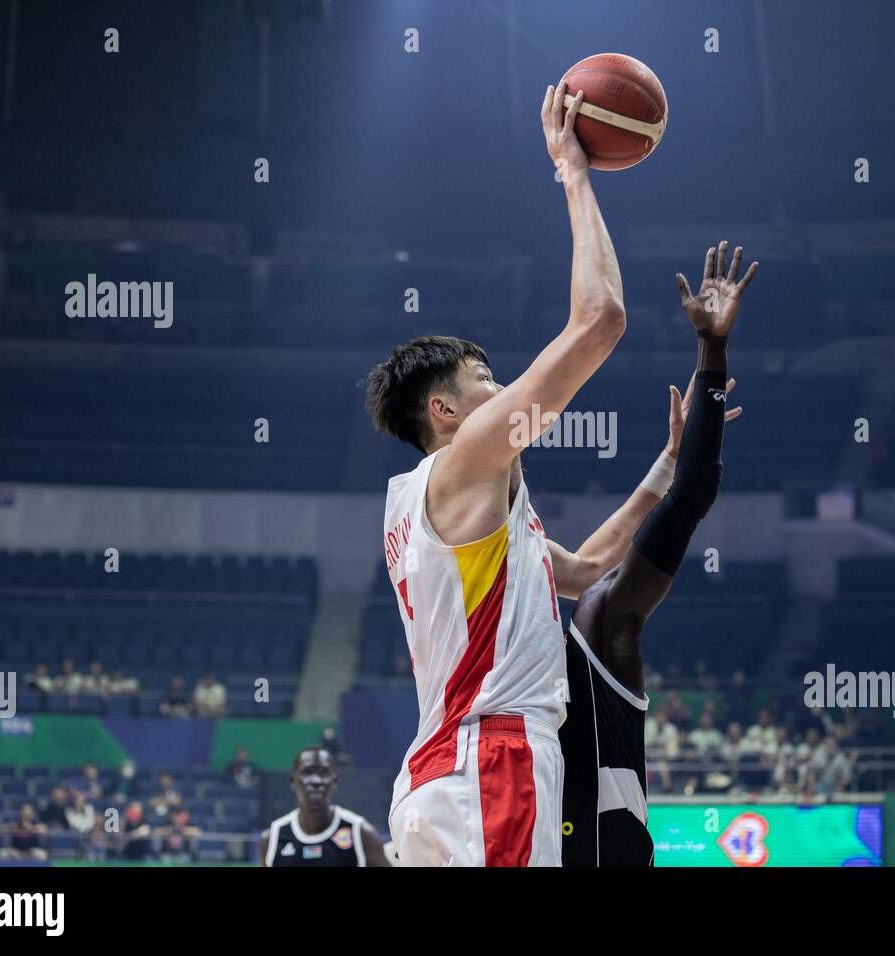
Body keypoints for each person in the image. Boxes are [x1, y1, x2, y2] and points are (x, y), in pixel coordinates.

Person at [366, 79, 647, 868]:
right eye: (484, 378)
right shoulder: (471, 457)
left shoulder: (460, 512)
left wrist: (670, 464)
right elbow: (602, 321)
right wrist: (574, 169)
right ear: (445, 414)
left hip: (438, 777)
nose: (502, 388)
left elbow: (588, 569)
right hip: (494, 762)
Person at [559, 242, 756, 866]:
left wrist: (712, 353)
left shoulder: (596, 627)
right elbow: (587, 560)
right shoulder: (486, 671)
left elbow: (692, 493)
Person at [259, 747, 389, 867]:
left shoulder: (361, 833)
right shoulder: (272, 839)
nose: (316, 780)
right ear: (293, 782)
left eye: (324, 773)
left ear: (334, 782)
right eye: (307, 773)